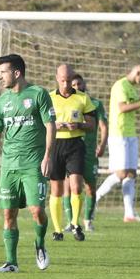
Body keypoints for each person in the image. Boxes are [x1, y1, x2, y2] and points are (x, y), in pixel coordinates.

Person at [0, 54, 55, 273]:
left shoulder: (38, 94)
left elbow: (51, 126)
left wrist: (48, 156)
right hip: (9, 166)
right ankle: (11, 262)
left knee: (36, 211)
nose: (0, 77)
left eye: (3, 72)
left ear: (16, 73)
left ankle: (40, 244)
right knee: (8, 214)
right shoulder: (3, 100)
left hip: (33, 164)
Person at [95, 61, 140, 222]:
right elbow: (122, 108)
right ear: (138, 72)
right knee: (121, 173)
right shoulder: (120, 86)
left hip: (131, 134)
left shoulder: (132, 88)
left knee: (131, 173)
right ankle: (93, 199)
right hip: (119, 134)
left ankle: (129, 214)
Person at [48, 65, 96, 242]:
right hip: (55, 145)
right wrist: (55, 125)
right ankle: (57, 229)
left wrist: (79, 125)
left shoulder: (83, 98)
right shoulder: (49, 98)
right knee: (56, 189)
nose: (66, 83)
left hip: (75, 145)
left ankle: (76, 224)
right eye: (62, 80)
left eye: (69, 80)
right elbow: (41, 122)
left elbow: (92, 125)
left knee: (76, 186)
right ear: (57, 78)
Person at [61, 74, 108, 232]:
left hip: (89, 152)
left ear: (84, 84)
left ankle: (88, 220)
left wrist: (102, 145)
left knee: (90, 187)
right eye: (72, 84)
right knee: (68, 186)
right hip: (72, 149)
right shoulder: (67, 103)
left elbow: (102, 126)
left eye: (78, 83)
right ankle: (71, 221)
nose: (75, 86)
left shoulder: (94, 104)